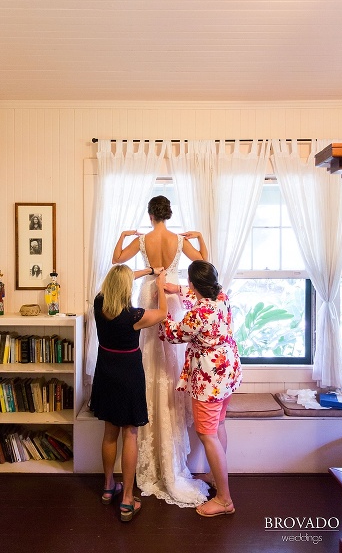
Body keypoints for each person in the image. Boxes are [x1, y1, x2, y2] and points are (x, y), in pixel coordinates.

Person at [111, 195, 209, 507]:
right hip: (173, 296)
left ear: (150, 213)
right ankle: (172, 455)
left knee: (148, 358)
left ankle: (150, 448)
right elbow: (204, 263)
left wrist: (124, 236)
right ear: (167, 213)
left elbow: (117, 261)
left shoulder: (143, 240)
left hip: (148, 293)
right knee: (171, 359)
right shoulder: (179, 240)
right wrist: (201, 238)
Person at [161, 260, 242, 517]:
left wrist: (162, 310)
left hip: (209, 377)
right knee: (218, 426)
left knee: (207, 434)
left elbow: (173, 333)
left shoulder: (198, 314)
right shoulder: (221, 297)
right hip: (226, 371)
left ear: (193, 284)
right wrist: (176, 289)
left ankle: (224, 499)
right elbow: (196, 297)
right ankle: (216, 479)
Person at [89, 264, 168, 522]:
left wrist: (146, 270)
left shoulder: (100, 304)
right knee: (130, 433)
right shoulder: (135, 316)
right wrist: (160, 284)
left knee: (109, 432)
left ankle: (108, 487)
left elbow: (118, 280)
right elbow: (164, 313)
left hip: (106, 373)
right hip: (128, 376)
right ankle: (127, 500)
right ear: (126, 288)